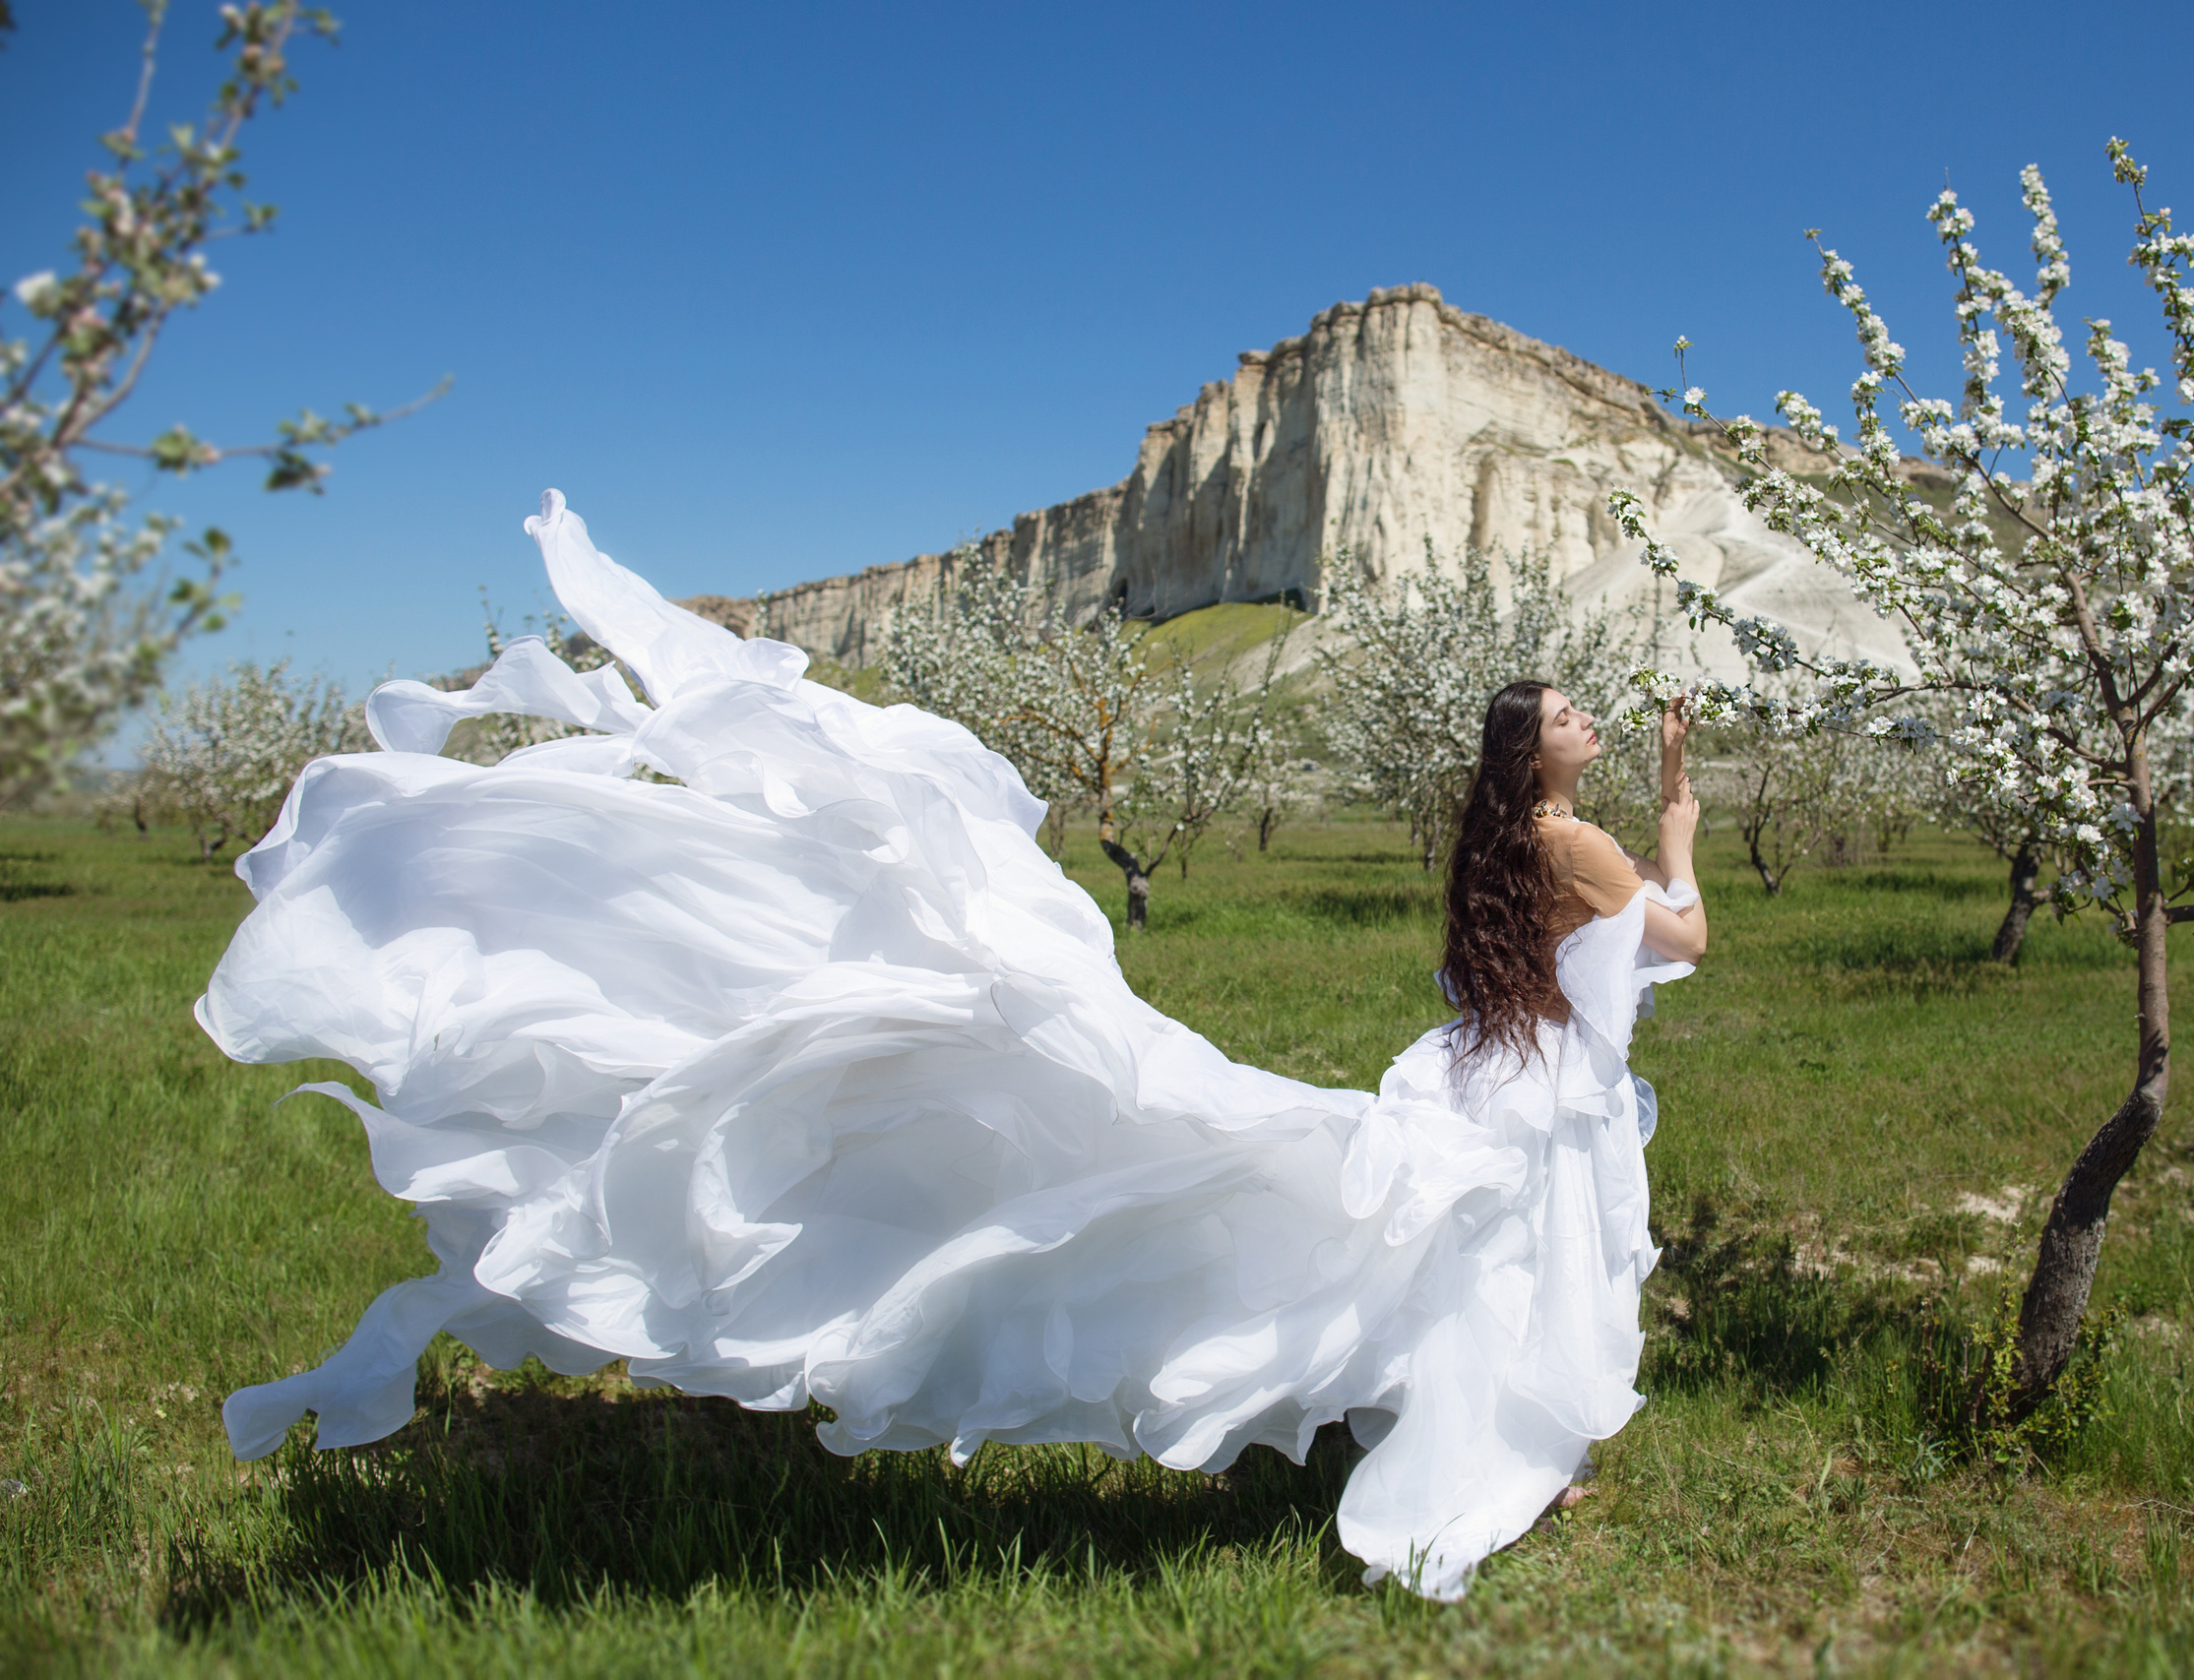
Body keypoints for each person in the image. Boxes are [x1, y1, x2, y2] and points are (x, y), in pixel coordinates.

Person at [201, 492, 1705, 1601]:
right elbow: (1680, 941)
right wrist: (1681, 821)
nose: (1582, 722)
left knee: (1448, 1236)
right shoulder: (1576, 842)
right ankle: (1504, 1434)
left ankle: (1438, 1403)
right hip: (1533, 1078)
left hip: (1492, 1060)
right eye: (1569, 715)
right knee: (1505, 1248)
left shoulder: (1503, 833)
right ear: (1540, 753)